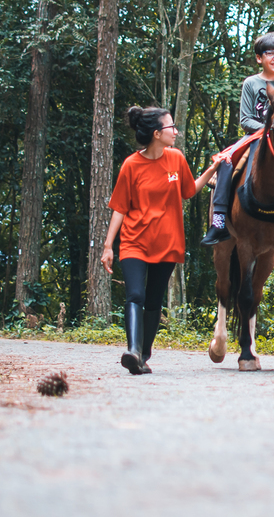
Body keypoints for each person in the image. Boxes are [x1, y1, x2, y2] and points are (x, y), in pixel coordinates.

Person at [101, 106, 216, 374]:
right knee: (135, 295)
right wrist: (108, 246)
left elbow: (189, 190)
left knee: (153, 300)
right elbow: (119, 207)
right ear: (156, 133)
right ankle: (132, 349)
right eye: (170, 127)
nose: (175, 131)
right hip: (134, 242)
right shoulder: (131, 165)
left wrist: (213, 168)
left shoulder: (176, 159)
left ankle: (142, 355)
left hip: (167, 244)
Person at [201, 32, 274, 246]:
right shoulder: (251, 83)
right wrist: (268, 130)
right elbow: (245, 119)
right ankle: (218, 220)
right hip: (254, 136)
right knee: (226, 162)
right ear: (259, 58)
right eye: (270, 53)